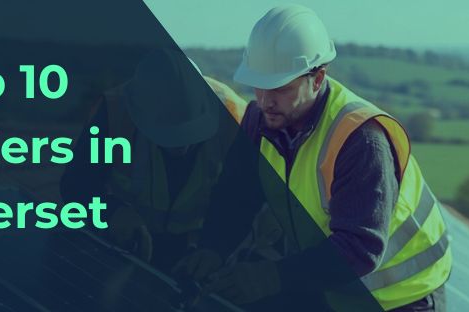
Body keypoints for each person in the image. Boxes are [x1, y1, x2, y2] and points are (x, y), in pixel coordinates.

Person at [174, 5, 452, 311]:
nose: (266, 101)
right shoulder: (260, 120)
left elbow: (360, 248)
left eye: (280, 88)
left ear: (317, 78)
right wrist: (213, 247)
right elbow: (237, 194)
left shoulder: (360, 140)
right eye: (259, 85)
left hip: (404, 296)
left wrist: (271, 277)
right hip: (336, 287)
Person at [60, 49, 242, 269]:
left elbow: (245, 197)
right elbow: (76, 184)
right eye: (169, 136)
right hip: (132, 246)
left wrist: (216, 248)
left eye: (189, 134)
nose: (181, 147)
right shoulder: (114, 113)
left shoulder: (237, 119)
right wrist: (112, 212)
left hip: (203, 253)